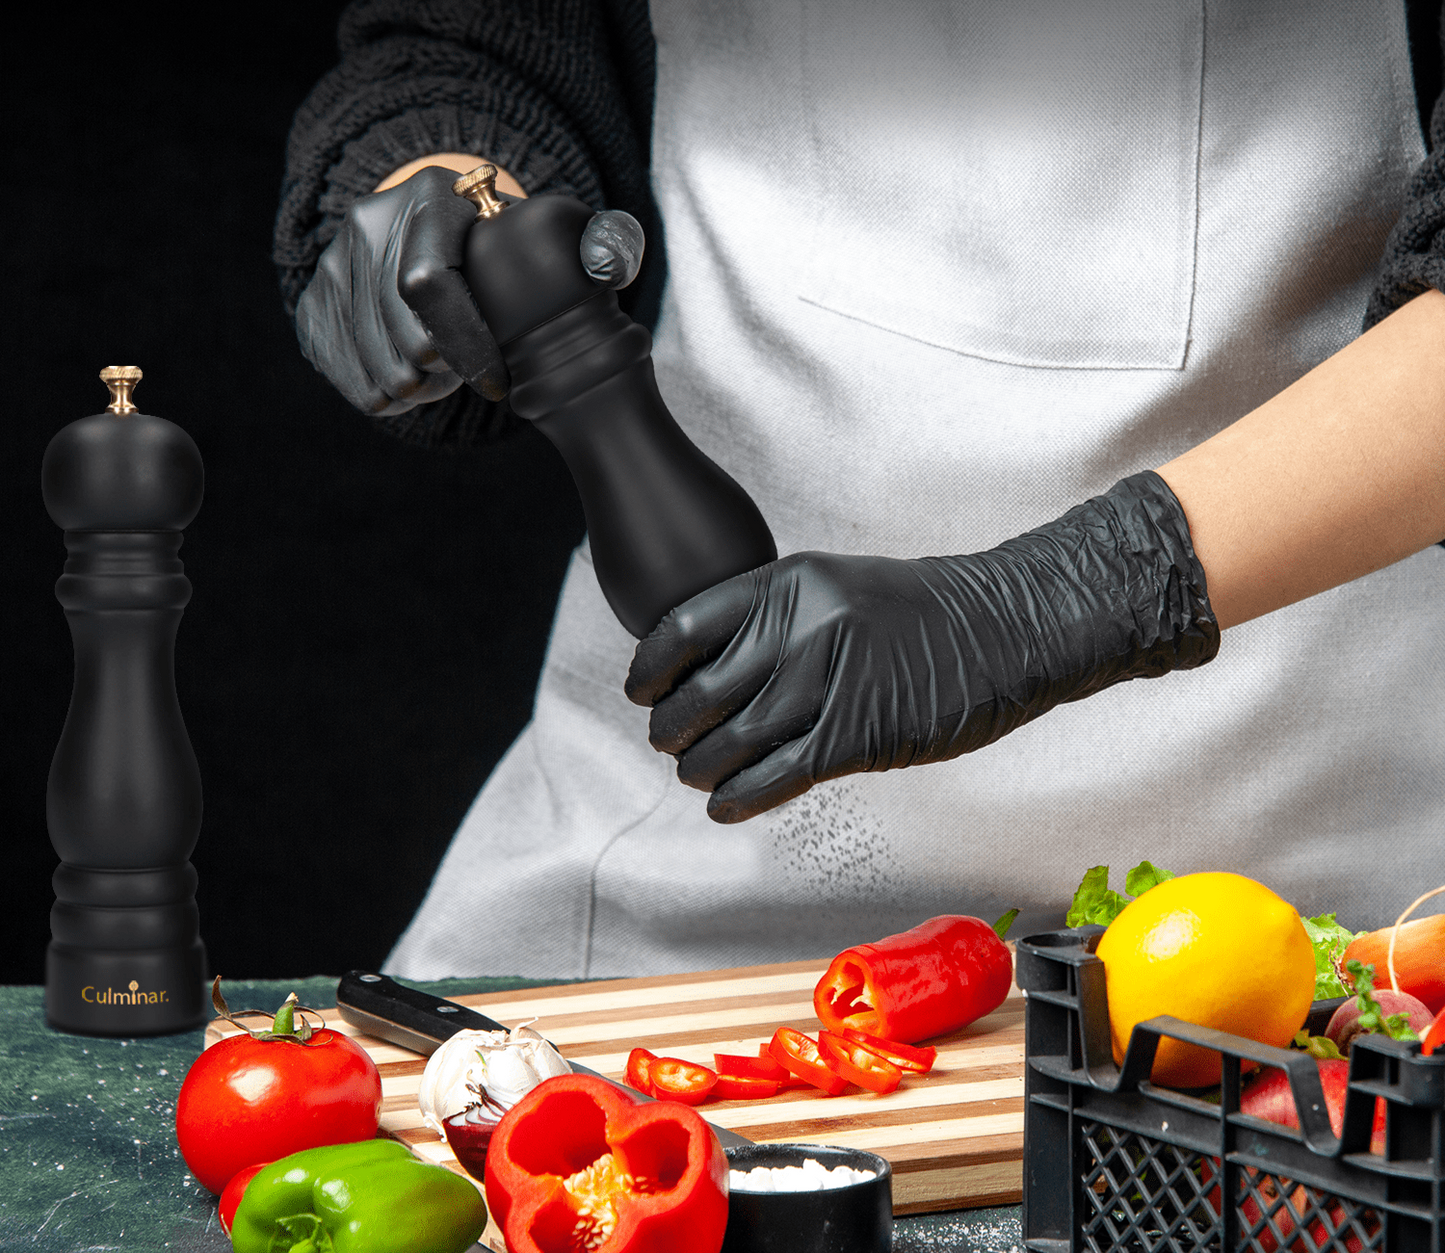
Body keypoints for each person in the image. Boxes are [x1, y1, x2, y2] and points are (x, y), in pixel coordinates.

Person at [277, 0, 1445, 979]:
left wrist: (1061, 595)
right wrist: (436, 194)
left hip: (1298, 920)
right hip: (674, 883)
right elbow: (477, 43)